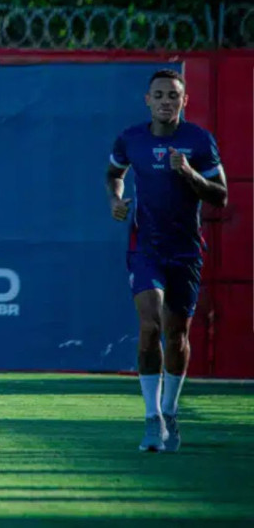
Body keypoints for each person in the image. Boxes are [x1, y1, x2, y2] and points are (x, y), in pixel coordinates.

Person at [106, 68, 227, 453]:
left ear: (184, 101)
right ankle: (151, 418)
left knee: (176, 335)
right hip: (146, 248)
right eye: (158, 95)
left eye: (173, 95)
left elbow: (220, 195)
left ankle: (170, 411)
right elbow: (113, 174)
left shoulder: (198, 141)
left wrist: (190, 173)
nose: (165, 101)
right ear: (148, 100)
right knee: (149, 324)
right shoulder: (132, 139)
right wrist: (116, 199)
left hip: (185, 251)